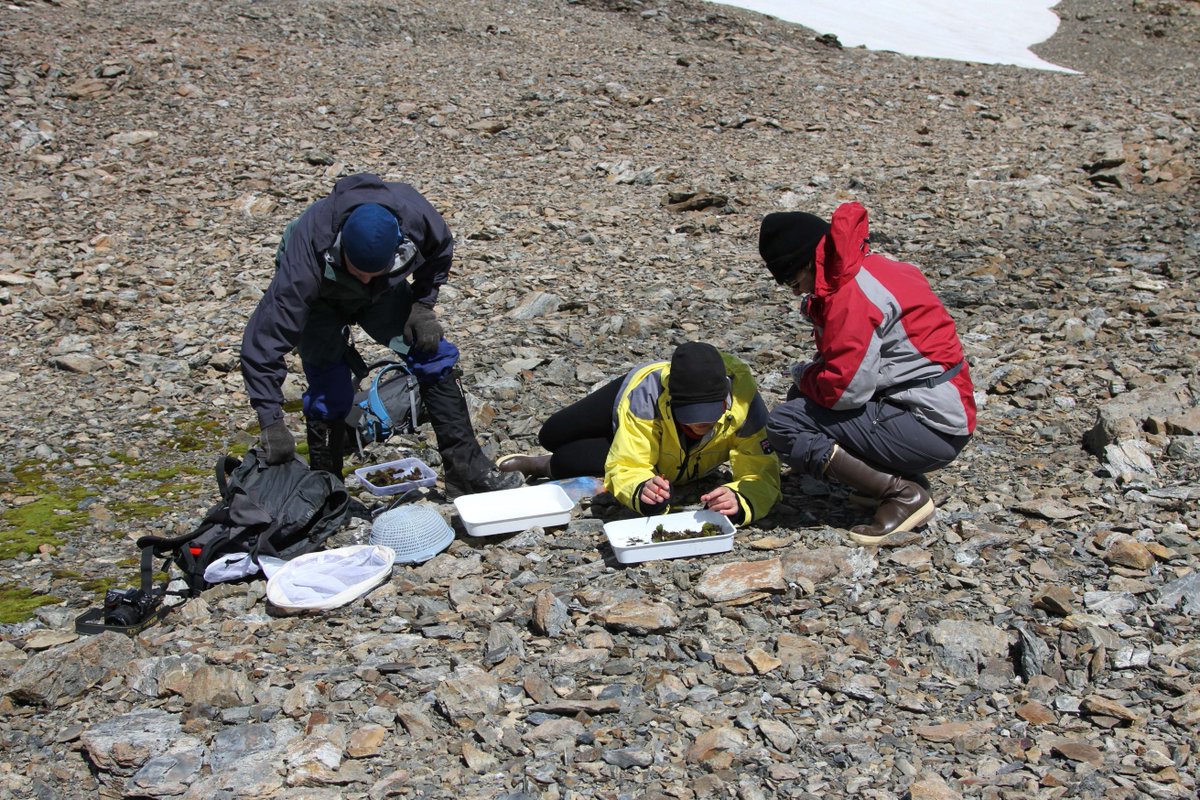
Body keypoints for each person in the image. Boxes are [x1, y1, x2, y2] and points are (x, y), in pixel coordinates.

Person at [240, 172, 522, 495]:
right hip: (321, 296)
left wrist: (422, 305)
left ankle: (466, 471)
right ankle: (325, 490)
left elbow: (441, 248)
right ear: (342, 244)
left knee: (432, 352)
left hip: (384, 291)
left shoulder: (415, 218)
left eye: (370, 272)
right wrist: (271, 421)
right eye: (357, 270)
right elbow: (263, 342)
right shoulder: (305, 258)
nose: (362, 279)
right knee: (328, 389)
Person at [757, 202, 976, 544]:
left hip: (932, 426)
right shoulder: (872, 266)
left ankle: (903, 494)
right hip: (943, 405)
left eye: (791, 279)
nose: (797, 292)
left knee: (785, 423)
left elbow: (846, 392)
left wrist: (803, 374)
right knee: (803, 399)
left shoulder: (850, 294)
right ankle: (883, 477)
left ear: (809, 262)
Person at [498, 342, 780, 525]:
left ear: (725, 398)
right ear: (673, 400)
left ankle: (543, 464)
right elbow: (630, 463)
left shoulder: (745, 402)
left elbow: (761, 472)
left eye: (711, 413)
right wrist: (640, 486)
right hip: (628, 405)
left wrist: (740, 500)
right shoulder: (647, 395)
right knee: (552, 434)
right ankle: (559, 449)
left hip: (665, 457)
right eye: (691, 416)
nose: (701, 424)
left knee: (566, 461)